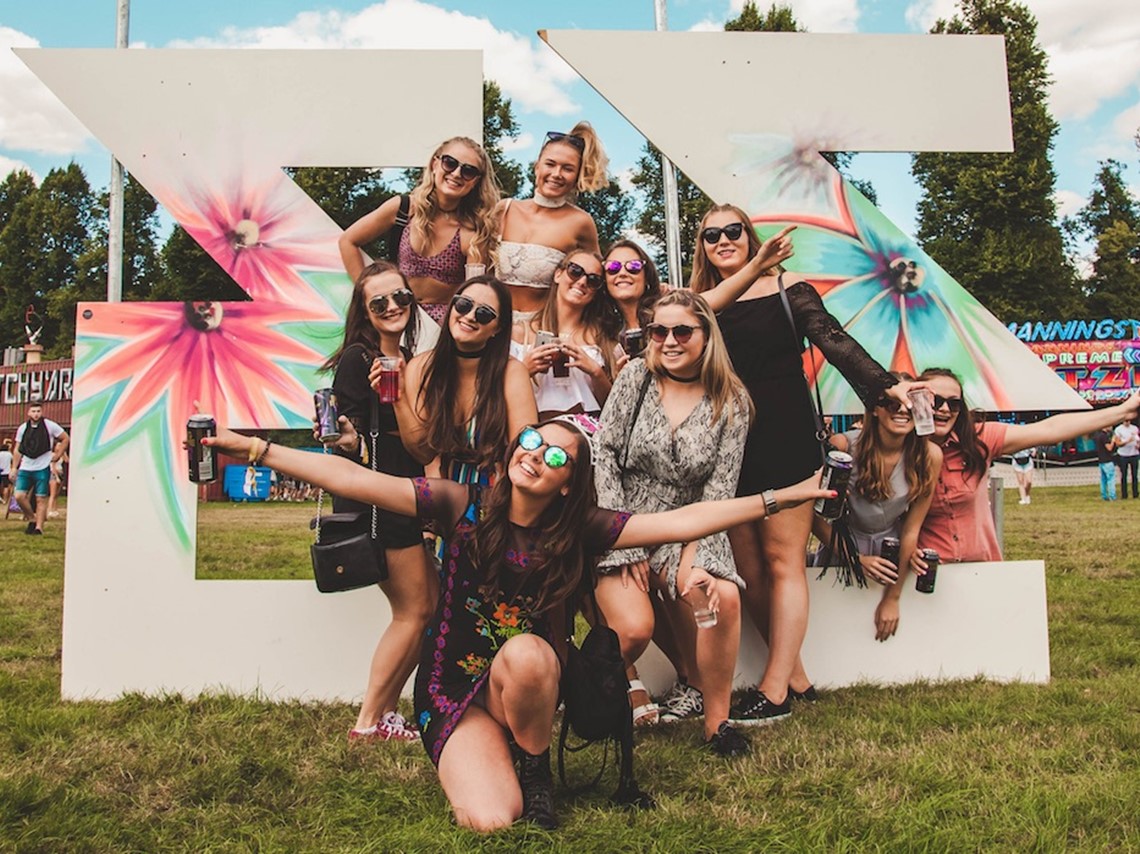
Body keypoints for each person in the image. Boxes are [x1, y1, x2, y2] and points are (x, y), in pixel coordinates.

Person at [200, 418, 834, 832]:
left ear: (568, 483)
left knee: (529, 652)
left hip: (526, 678)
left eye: (557, 454)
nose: (538, 454)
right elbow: (354, 478)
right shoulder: (461, 505)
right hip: (453, 689)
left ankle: (535, 771)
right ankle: (492, 761)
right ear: (512, 454)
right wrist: (257, 448)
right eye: (531, 441)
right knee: (490, 821)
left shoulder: (582, 529)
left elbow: (686, 521)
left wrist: (780, 498)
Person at [689, 203, 914, 725]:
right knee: (747, 569)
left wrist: (884, 384)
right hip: (728, 443)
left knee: (783, 563)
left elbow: (834, 342)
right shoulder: (702, 304)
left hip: (786, 435)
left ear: (751, 236)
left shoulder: (792, 291)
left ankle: (774, 690)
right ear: (700, 246)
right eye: (710, 235)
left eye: (733, 231)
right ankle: (797, 678)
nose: (722, 240)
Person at [594, 289, 754, 755]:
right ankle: (579, 700)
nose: (668, 340)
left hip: (692, 520)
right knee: (635, 628)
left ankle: (716, 723)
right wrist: (623, 541)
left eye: (682, 330)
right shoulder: (635, 378)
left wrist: (693, 561)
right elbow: (603, 454)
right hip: (624, 514)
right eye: (657, 331)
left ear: (706, 336)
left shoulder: (732, 400)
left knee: (718, 595)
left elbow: (719, 492)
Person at [320, 260, 436, 742]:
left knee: (426, 608)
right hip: (380, 498)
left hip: (408, 493)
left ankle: (386, 714)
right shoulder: (357, 358)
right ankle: (369, 720)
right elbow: (346, 439)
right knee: (413, 611)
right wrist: (344, 437)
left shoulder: (411, 355)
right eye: (379, 302)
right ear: (365, 311)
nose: (393, 307)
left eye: (401, 297)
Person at [915, 368, 1140, 565]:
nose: (944, 409)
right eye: (935, 401)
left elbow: (1050, 430)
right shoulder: (898, 449)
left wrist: (1123, 411)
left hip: (980, 570)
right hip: (925, 574)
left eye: (954, 403)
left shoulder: (978, 439)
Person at [818, 377, 943, 642]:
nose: (901, 410)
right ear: (874, 408)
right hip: (840, 548)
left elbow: (911, 529)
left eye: (910, 403)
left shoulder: (930, 456)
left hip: (892, 554)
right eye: (890, 402)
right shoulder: (845, 446)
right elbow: (811, 516)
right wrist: (855, 559)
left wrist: (892, 599)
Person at [393, 276, 537, 494]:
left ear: (497, 328)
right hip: (440, 496)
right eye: (464, 304)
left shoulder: (512, 372)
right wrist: (398, 398)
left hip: (496, 498)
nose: (469, 316)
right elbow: (423, 453)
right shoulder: (421, 367)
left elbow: (524, 450)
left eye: (484, 313)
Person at [339, 137, 500, 327]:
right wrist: (370, 298)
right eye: (450, 163)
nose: (456, 174)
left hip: (442, 327)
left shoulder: (472, 233)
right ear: (435, 164)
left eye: (468, 171)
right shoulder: (404, 209)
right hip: (396, 316)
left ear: (475, 181)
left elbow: (474, 295)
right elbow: (348, 241)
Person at [495, 123, 607, 321]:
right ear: (537, 166)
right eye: (550, 164)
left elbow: (599, 280)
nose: (557, 174)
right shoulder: (505, 210)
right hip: (494, 326)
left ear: (577, 176)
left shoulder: (581, 222)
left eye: (567, 168)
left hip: (542, 329)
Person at [512, 250, 617, 419]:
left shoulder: (602, 341)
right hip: (532, 430)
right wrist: (524, 371)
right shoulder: (519, 333)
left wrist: (596, 372)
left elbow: (615, 411)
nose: (582, 282)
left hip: (587, 432)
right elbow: (495, 399)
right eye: (575, 271)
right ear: (558, 275)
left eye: (593, 280)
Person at [12, 400, 69, 535]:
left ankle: (39, 528)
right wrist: (14, 467)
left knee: (40, 498)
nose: (36, 414)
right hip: (26, 465)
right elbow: (18, 449)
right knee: (19, 495)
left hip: (42, 466)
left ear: (42, 412)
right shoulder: (23, 428)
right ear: (28, 412)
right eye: (33, 411)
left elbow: (65, 438)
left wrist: (58, 455)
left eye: (38, 411)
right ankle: (32, 518)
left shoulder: (50, 426)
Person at [602, 239, 663, 341]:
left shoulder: (664, 318)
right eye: (613, 267)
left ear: (647, 277)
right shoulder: (601, 331)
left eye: (634, 266)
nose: (622, 273)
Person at [1113, 417, 1139, 499]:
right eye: (1125, 421)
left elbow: (1137, 439)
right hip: (1123, 455)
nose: (1127, 422)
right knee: (1123, 475)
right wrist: (1128, 441)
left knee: (1134, 475)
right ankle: (1124, 494)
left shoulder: (1134, 428)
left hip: (1134, 454)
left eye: (1128, 421)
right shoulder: (1118, 429)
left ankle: (1135, 493)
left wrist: (1138, 445)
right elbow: (1118, 443)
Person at [1094, 427, 1117, 501]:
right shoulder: (1104, 436)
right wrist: (1113, 441)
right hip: (1107, 460)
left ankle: (1104, 495)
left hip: (1101, 460)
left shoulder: (1097, 435)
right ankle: (1112, 496)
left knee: (1103, 480)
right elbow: (1109, 448)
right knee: (1111, 479)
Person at [0, 438, 13, 516]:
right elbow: (13, 461)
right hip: (6, 471)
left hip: (0, 471)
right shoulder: (9, 454)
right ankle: (5, 500)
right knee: (6, 486)